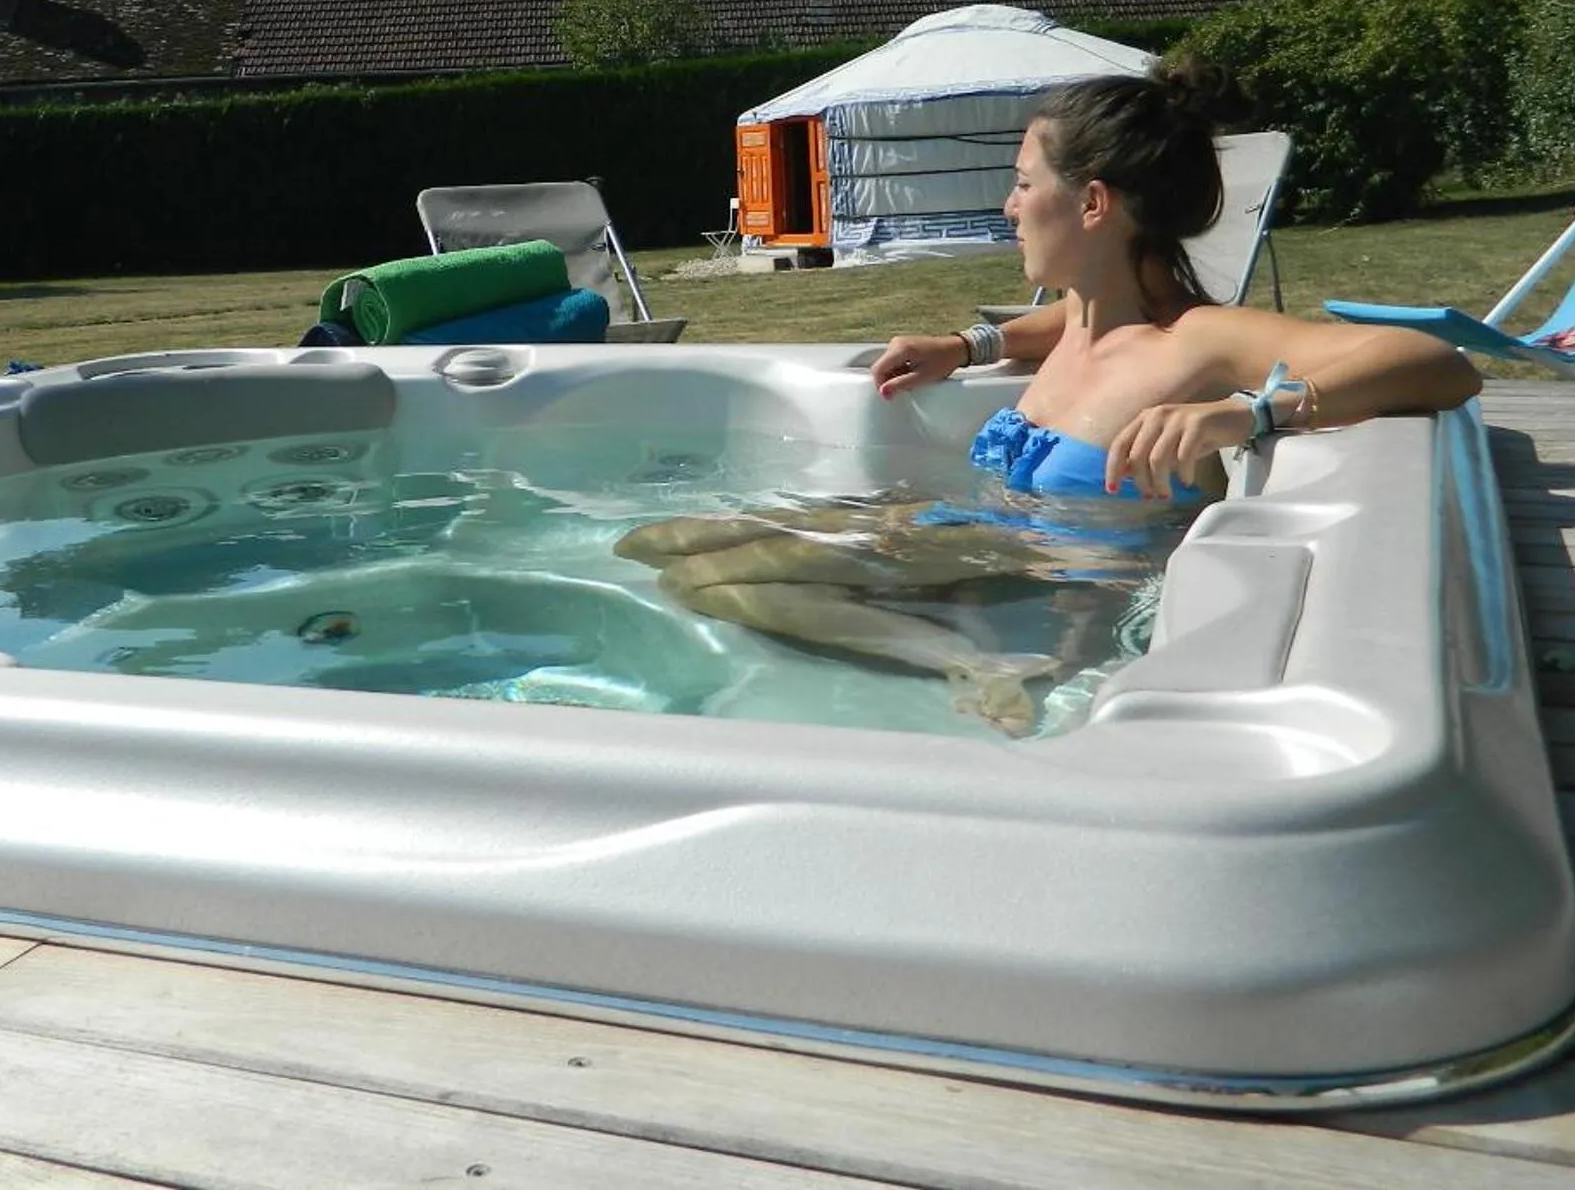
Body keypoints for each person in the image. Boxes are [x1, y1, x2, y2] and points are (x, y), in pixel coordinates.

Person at [617, 58, 1481, 731]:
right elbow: (1067, 334)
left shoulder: (1200, 342)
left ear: (1093, 203)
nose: (1008, 205)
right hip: (952, 529)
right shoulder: (1077, 317)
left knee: (703, 584)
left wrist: (1253, 410)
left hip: (1043, 570)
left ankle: (960, 657)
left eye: (1025, 183)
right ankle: (936, 629)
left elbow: (1436, 361)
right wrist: (967, 345)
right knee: (656, 543)